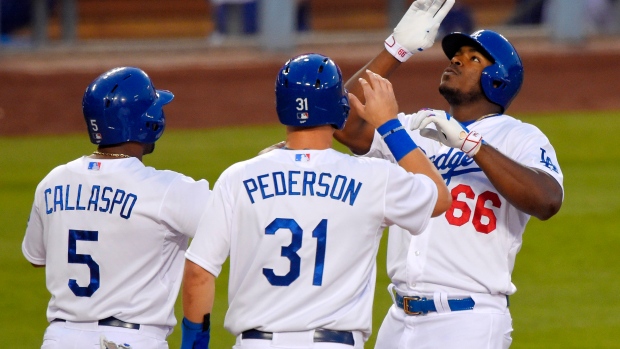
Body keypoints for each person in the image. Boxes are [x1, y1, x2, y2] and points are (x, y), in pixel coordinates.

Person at [180, 53, 452, 348]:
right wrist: (389, 125)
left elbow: (198, 272)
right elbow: (438, 198)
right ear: (340, 107)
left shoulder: (237, 178)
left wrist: (194, 344)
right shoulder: (373, 177)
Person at [333, 1, 565, 348]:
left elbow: (547, 200)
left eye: (473, 58)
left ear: (497, 78)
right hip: (398, 319)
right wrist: (395, 49)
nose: (456, 60)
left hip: (468, 320)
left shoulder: (520, 137)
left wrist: (469, 144)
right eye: (456, 55)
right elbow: (344, 123)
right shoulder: (414, 127)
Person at [21, 67, 211, 349]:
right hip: (132, 340)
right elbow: (238, 226)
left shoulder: (52, 182)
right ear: (147, 122)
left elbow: (36, 256)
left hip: (60, 339)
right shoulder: (168, 190)